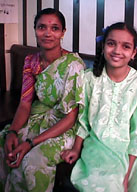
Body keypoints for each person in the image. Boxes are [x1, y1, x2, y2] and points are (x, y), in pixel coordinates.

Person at [61, 22, 137, 192]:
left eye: (125, 46)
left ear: (133, 53)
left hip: (132, 154)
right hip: (97, 149)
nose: (117, 50)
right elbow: (84, 120)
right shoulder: (88, 80)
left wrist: (126, 176)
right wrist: (76, 148)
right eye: (111, 43)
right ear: (103, 47)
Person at [0, 8, 85, 192]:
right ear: (35, 30)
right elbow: (25, 103)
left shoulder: (73, 65)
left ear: (63, 33)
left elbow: (71, 118)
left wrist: (31, 142)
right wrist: (13, 132)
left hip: (65, 126)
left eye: (55, 28)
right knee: (4, 142)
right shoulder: (31, 61)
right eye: (41, 27)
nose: (48, 33)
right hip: (37, 118)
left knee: (33, 160)